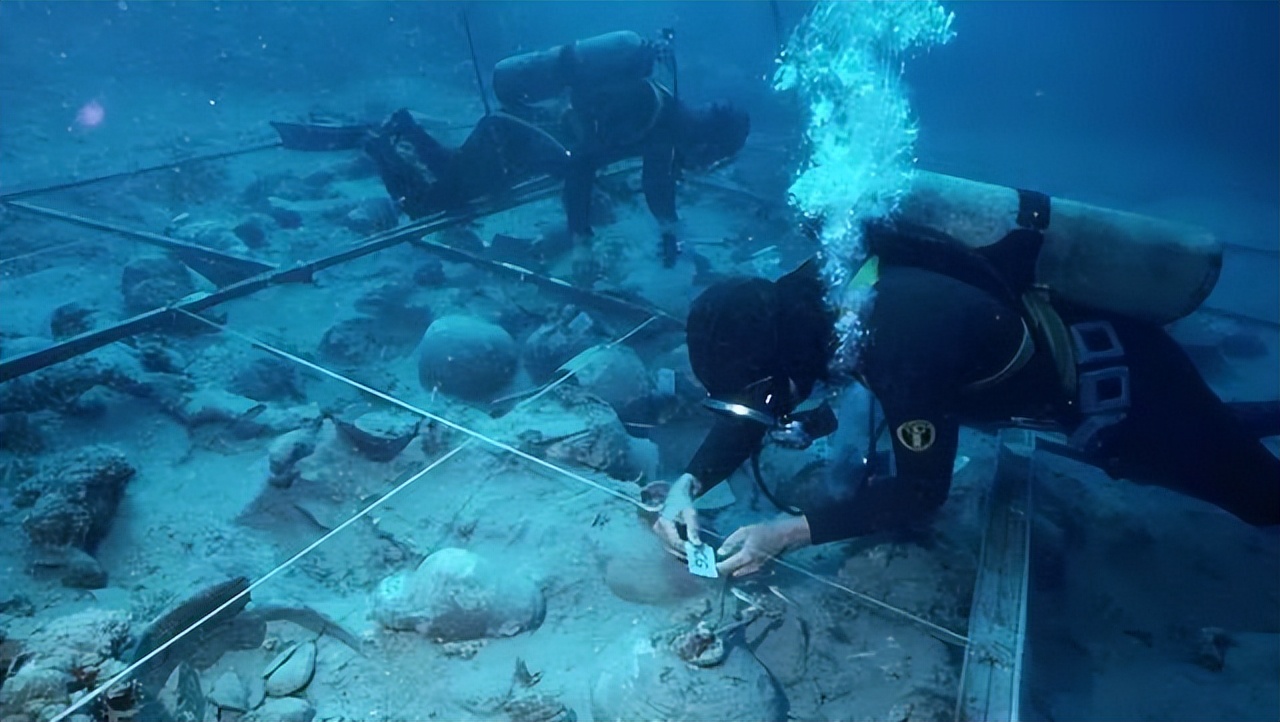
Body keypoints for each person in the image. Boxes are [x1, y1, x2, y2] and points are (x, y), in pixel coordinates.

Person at [653, 218, 1280, 577]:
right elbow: (757, 396)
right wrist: (689, 484)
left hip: (1127, 388)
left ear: (781, 361)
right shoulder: (801, 302)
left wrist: (785, 533)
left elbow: (921, 493)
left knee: (1256, 495)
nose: (764, 414)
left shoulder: (899, 341)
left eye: (760, 399)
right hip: (1089, 366)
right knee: (1218, 432)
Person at [363, 29, 751, 279]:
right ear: (707, 144)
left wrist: (670, 231)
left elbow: (657, 182)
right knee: (428, 206)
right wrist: (581, 241)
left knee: (454, 176)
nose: (701, 167)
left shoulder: (663, 119)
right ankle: (375, 143)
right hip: (511, 141)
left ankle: (406, 126)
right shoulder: (645, 109)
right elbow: (581, 166)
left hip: (519, 140)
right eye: (710, 160)